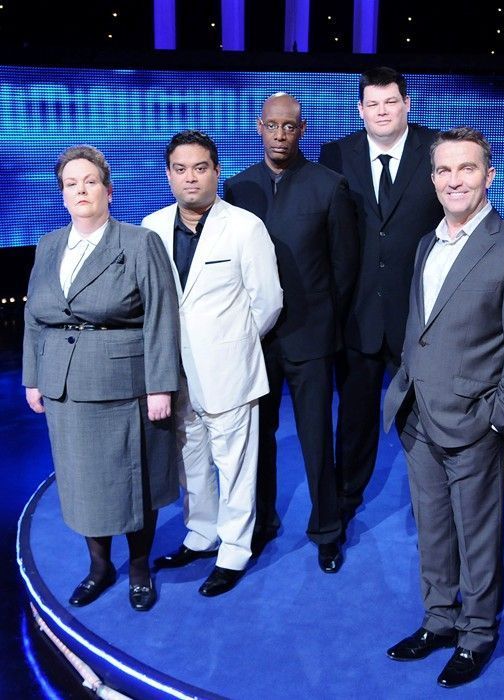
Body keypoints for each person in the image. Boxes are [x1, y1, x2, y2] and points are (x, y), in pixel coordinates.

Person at [382, 127, 504, 687]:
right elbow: (422, 326)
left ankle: (477, 635)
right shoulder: (426, 244)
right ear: (433, 179)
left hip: (476, 423)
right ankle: (438, 621)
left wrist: (502, 416)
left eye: (467, 168)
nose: (455, 180)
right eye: (444, 170)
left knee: (477, 535)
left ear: (489, 176)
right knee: (432, 527)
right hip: (418, 415)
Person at [22, 145, 180, 612]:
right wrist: (33, 377)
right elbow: (34, 318)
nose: (81, 190)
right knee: (82, 483)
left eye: (89, 181)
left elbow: (161, 316)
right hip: (65, 387)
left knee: (135, 481)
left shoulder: (138, 242)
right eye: (71, 184)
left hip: (124, 385)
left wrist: (160, 384)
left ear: (108, 191)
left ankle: (138, 568)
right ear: (62, 195)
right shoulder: (48, 245)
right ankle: (99, 567)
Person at [143, 130, 282, 596]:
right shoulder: (151, 228)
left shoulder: (244, 226)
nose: (190, 178)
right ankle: (201, 535)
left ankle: (234, 550)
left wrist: (230, 345)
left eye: (200, 168)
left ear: (216, 172)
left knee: (235, 465)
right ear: (168, 175)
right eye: (180, 169)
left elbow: (267, 302)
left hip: (230, 370)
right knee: (191, 461)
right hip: (174, 372)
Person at [224, 93, 358, 572]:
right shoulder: (237, 188)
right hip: (256, 338)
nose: (280, 135)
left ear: (302, 130)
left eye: (289, 126)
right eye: (272, 125)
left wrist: (326, 326)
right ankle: (261, 524)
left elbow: (344, 268)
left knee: (316, 437)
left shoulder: (329, 186)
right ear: (259, 127)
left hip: (311, 337)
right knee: (257, 438)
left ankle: (327, 530)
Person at [319, 66, 443, 533]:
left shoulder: (436, 150)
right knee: (354, 419)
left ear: (407, 104)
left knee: (427, 418)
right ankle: (343, 506)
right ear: (360, 109)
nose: (383, 111)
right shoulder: (336, 154)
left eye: (391, 102)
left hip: (420, 316)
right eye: (373, 104)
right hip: (359, 315)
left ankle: (433, 509)